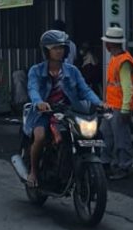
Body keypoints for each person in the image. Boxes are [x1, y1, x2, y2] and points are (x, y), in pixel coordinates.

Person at [23, 29, 104, 188]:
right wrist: (39, 102)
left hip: (68, 111)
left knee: (92, 134)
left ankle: (74, 166)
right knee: (39, 136)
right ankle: (33, 171)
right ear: (46, 50)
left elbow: (85, 90)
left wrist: (99, 102)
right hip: (45, 112)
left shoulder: (72, 71)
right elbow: (32, 88)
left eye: (61, 47)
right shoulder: (36, 70)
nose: (59, 51)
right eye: (55, 48)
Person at [101, 24, 133, 180]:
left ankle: (124, 167)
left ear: (110, 44)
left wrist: (125, 109)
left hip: (119, 108)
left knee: (121, 138)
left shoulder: (124, 61)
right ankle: (106, 164)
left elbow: (128, 88)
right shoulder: (117, 58)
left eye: (106, 43)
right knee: (106, 136)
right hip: (111, 107)